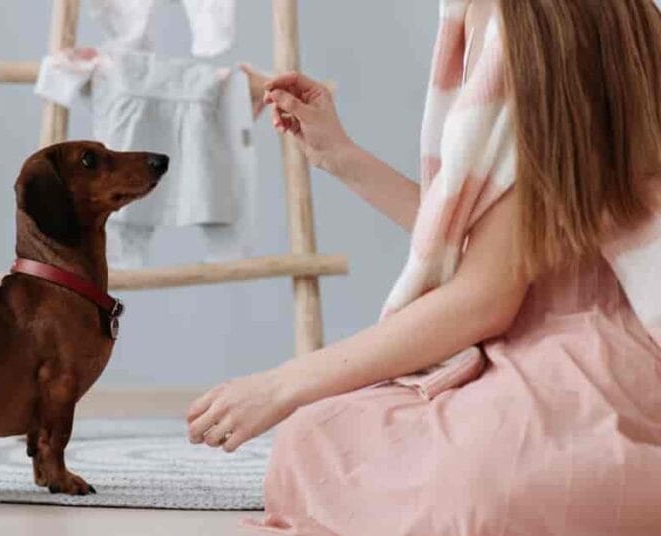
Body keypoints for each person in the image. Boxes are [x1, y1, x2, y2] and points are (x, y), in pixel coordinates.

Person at [186, 0, 661, 533]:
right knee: (327, 439)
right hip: (633, 355)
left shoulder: (509, 22)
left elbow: (485, 297)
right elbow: (508, 246)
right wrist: (339, 156)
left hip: (567, 359)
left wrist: (281, 384)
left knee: (326, 447)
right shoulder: (626, 10)